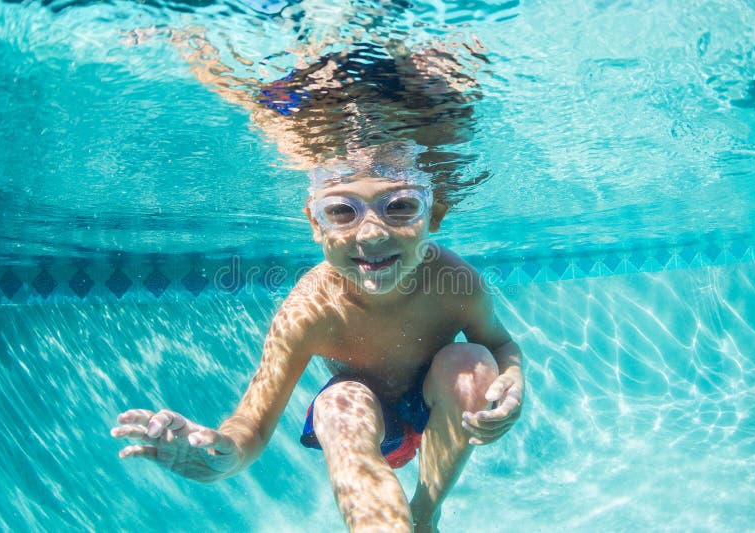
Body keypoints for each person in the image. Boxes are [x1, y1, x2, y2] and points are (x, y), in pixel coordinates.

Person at [112, 31, 523, 533]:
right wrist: (221, 456)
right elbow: (252, 424)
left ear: (434, 214)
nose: (371, 232)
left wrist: (510, 382)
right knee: (338, 403)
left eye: (400, 206)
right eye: (341, 212)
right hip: (368, 432)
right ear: (315, 224)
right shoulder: (309, 308)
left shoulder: (453, 279)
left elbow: (499, 344)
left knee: (472, 364)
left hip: (445, 420)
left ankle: (425, 513)